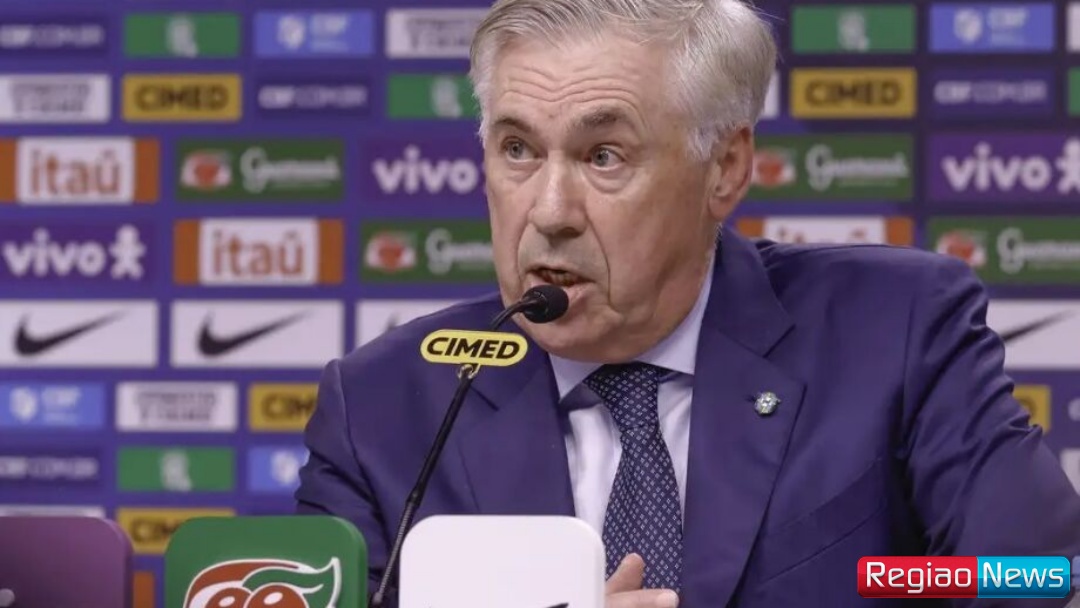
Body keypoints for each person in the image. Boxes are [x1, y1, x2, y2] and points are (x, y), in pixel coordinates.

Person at [295, 0, 1080, 606]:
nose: (550, 210)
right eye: (518, 149)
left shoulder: (895, 331)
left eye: (604, 155)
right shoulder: (385, 410)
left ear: (724, 169)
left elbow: (1041, 577)